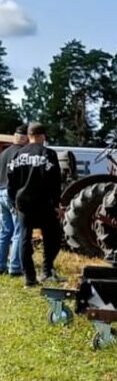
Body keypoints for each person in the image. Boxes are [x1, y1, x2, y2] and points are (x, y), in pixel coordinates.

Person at [6, 122, 62, 286]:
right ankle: (47, 270)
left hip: (23, 203)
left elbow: (11, 182)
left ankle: (29, 278)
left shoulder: (18, 155)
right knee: (53, 237)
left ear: (29, 136)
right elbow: (55, 182)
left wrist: (13, 201)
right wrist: (57, 204)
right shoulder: (48, 154)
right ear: (42, 136)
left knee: (24, 238)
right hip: (44, 203)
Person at [0, 125, 27, 275]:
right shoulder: (21, 154)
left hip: (1, 193)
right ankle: (15, 267)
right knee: (19, 231)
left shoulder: (4, 153)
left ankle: (0, 264)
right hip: (13, 194)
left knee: (4, 231)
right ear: (24, 138)